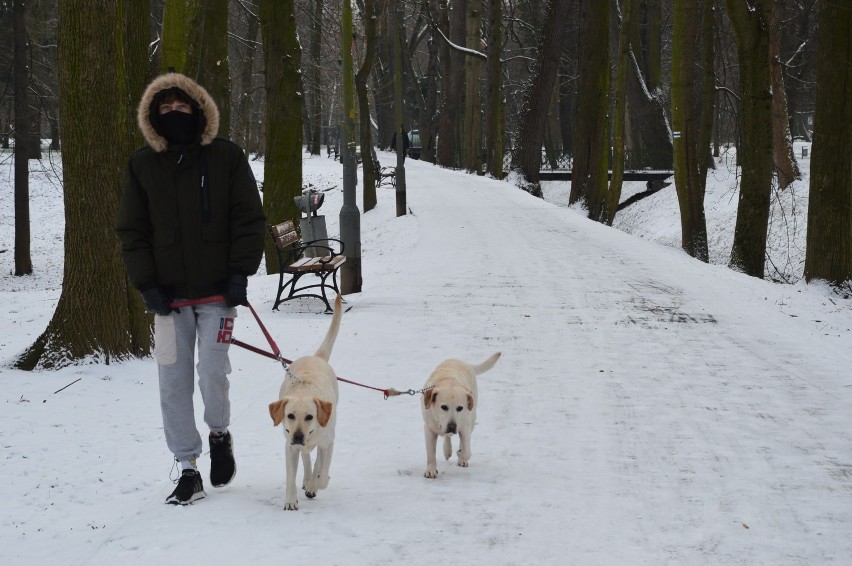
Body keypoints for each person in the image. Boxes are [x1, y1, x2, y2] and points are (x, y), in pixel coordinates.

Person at [117, 72, 266, 505]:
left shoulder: (226, 157)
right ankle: (187, 467)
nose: (174, 113)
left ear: (199, 110)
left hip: (218, 294)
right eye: (165, 108)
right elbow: (132, 229)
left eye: (182, 107)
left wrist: (240, 272)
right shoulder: (141, 165)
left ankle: (220, 434)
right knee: (173, 383)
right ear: (152, 116)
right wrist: (147, 284)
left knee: (211, 373)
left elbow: (248, 218)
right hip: (167, 301)